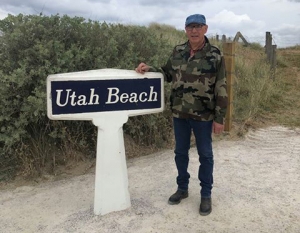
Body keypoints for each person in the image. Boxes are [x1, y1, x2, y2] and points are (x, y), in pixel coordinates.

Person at [135, 14, 228, 216]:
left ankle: (205, 195)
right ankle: (182, 189)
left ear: (205, 29)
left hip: (203, 116)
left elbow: (221, 87)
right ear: (185, 29)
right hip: (180, 114)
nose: (194, 30)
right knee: (180, 153)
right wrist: (148, 69)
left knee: (205, 155)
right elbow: (167, 73)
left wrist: (220, 118)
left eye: (198, 26)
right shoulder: (178, 51)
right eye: (190, 27)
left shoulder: (215, 54)